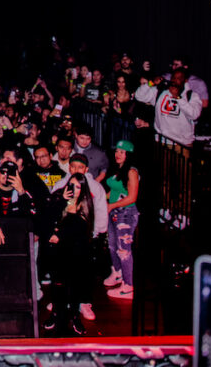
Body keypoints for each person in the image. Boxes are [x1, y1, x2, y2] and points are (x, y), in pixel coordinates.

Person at [40, 172, 95, 336]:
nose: (75, 190)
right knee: (57, 286)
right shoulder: (60, 200)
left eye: (78, 186)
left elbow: (79, 228)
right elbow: (48, 217)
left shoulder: (84, 206)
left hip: (77, 253)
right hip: (59, 253)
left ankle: (75, 317)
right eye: (72, 185)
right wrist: (61, 200)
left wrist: (59, 234)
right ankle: (55, 314)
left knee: (75, 288)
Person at [99, 140, 140, 300]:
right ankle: (117, 273)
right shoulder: (118, 169)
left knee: (124, 250)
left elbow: (132, 197)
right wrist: (102, 199)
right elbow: (115, 191)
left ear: (128, 155)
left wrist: (111, 205)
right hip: (114, 211)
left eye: (122, 152)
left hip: (126, 213)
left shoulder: (131, 172)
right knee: (112, 245)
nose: (118, 154)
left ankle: (128, 286)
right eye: (117, 151)